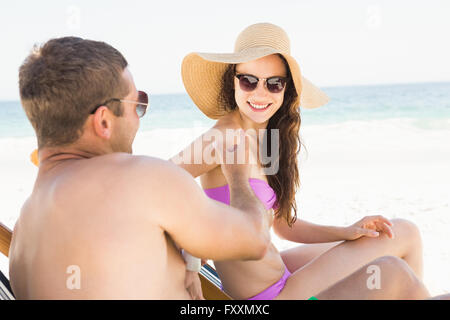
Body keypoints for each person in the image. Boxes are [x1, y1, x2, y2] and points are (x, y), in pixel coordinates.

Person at [171, 22, 441, 300]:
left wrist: (346, 231)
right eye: (249, 81)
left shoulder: (269, 139)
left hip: (283, 275)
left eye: (274, 83)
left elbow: (282, 225)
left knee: (401, 233)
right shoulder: (222, 137)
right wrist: (191, 253)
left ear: (286, 90)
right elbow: (158, 181)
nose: (261, 93)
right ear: (233, 80)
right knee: (391, 271)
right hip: (269, 296)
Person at [8, 37, 273, 299]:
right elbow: (255, 240)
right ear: (104, 122)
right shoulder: (143, 179)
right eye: (137, 104)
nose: (138, 116)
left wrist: (189, 260)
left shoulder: (22, 233)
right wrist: (238, 177)